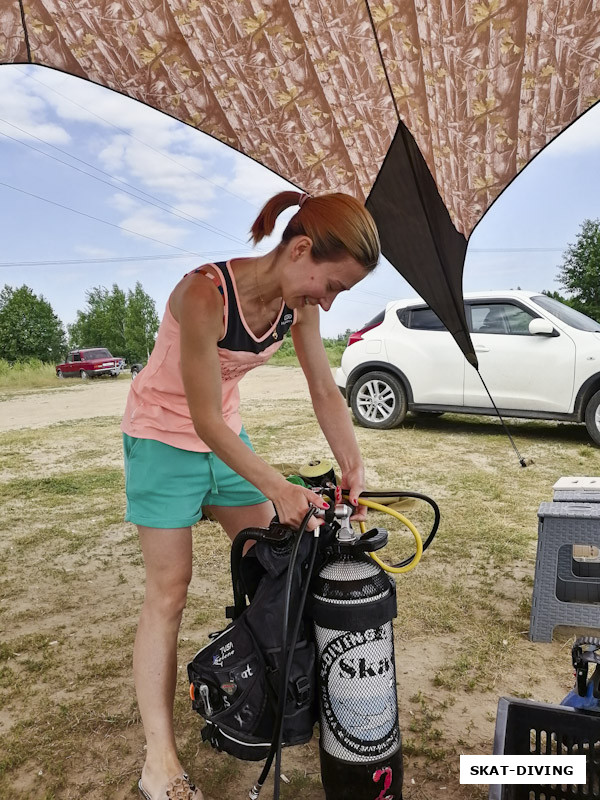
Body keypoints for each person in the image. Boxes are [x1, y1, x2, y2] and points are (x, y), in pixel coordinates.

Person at [121, 190, 380, 800]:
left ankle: (256, 694)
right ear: (298, 249)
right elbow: (203, 417)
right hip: (161, 441)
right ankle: (159, 760)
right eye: (331, 283)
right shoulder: (203, 293)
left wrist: (352, 464)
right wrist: (277, 485)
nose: (329, 299)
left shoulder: (298, 305)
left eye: (340, 292)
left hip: (225, 444)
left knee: (277, 566)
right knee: (169, 591)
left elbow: (323, 387)